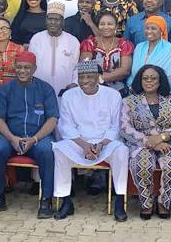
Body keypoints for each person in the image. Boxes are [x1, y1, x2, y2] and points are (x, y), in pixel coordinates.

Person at [52, 60, 129, 221]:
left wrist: (100, 145)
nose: (84, 81)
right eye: (81, 77)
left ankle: (120, 201)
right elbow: (66, 126)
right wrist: (85, 145)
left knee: (121, 150)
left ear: (99, 77)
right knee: (59, 150)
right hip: (79, 142)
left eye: (89, 76)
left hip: (105, 143)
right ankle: (65, 201)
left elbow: (115, 127)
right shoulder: (69, 95)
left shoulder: (113, 95)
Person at [0, 51, 59, 218]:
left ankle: (46, 200)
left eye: (27, 68)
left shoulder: (46, 88)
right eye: (19, 67)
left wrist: (34, 139)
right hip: (10, 136)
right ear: (14, 68)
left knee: (47, 151)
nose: (22, 71)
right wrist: (12, 139)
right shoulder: (6, 89)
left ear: (34, 69)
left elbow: (52, 119)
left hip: (39, 136)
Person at [120, 65, 171, 219]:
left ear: (160, 81)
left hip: (170, 143)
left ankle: (163, 202)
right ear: (140, 80)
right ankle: (146, 203)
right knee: (140, 162)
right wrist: (150, 142)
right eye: (145, 78)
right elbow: (124, 128)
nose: (149, 81)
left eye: (153, 78)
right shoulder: (129, 101)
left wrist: (163, 138)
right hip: (141, 143)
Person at [79, 9, 135, 95]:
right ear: (98, 26)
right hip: (94, 91)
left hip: (118, 92)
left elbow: (125, 70)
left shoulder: (124, 44)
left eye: (110, 24)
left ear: (116, 26)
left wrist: (101, 77)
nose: (106, 27)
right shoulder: (90, 43)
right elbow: (85, 68)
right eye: (102, 24)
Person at [29, 2, 80, 95]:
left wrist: (75, 83)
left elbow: (77, 66)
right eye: (50, 19)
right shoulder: (36, 39)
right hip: (39, 90)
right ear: (46, 20)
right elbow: (30, 65)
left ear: (63, 21)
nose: (53, 22)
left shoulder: (73, 41)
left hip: (65, 90)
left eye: (57, 19)